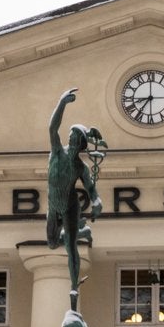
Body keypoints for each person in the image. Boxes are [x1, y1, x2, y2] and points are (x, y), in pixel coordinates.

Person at [46, 88, 106, 306]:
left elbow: (91, 190)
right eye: (70, 138)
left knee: (71, 247)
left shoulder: (81, 167)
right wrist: (62, 102)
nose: (71, 142)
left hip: (70, 205)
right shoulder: (57, 152)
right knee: (52, 243)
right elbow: (53, 127)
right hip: (54, 205)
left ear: (81, 145)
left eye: (75, 140)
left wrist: (97, 202)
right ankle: (83, 230)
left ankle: (73, 288)